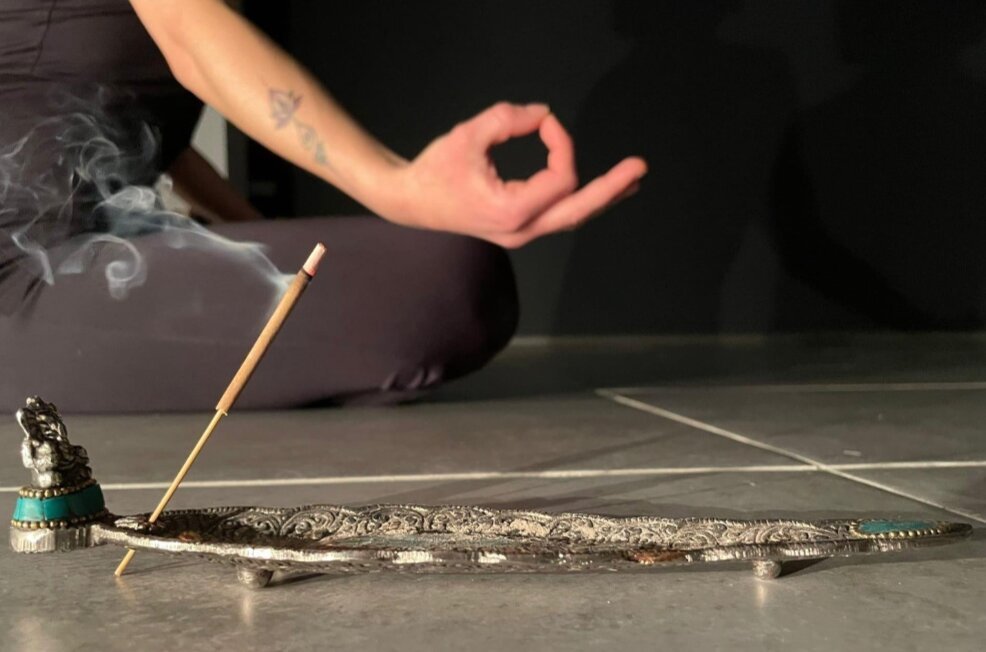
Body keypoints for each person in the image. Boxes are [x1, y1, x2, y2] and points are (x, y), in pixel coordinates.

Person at [0, 0, 646, 412]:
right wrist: (397, 184)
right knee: (445, 284)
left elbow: (146, 134)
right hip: (20, 276)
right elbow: (188, 37)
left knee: (432, 275)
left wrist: (256, 237)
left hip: (92, 255)